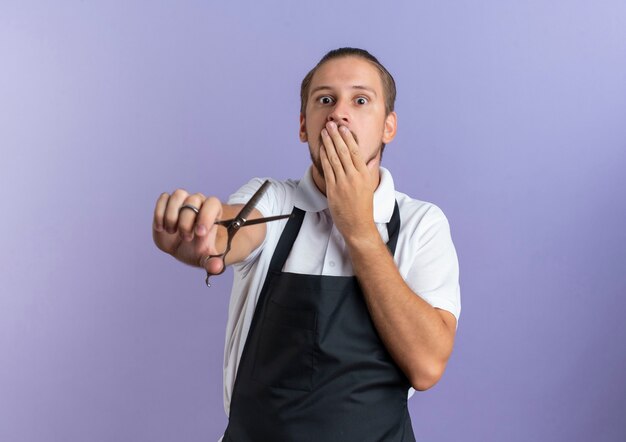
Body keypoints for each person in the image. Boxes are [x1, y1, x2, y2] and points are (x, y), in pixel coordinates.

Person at [152, 47, 460, 442]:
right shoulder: (271, 199)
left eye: (361, 100)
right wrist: (200, 235)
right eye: (325, 100)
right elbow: (232, 230)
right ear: (303, 125)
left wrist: (359, 227)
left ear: (388, 126)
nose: (338, 113)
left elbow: (427, 365)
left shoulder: (422, 225)